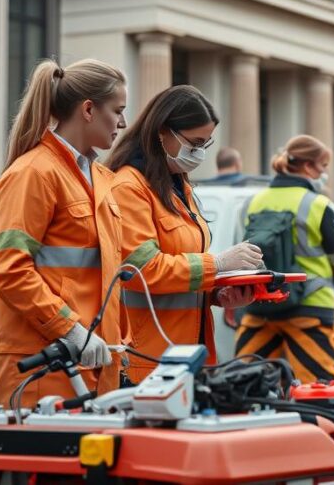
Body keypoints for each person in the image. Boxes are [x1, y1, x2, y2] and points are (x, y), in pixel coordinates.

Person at [0, 59, 130, 406]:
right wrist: (70, 329)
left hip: (85, 363)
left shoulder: (95, 179)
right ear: (88, 109)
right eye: (118, 110)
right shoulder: (34, 173)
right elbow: (8, 268)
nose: (123, 123)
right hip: (43, 364)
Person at [105, 85, 263, 383]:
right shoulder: (128, 187)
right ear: (162, 132)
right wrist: (217, 265)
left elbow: (181, 273)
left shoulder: (179, 187)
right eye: (195, 142)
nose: (200, 152)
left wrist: (219, 293)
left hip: (186, 357)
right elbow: (142, 269)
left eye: (206, 143)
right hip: (147, 362)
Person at [235, 135, 334, 382]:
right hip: (309, 309)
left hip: (260, 307)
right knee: (319, 393)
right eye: (323, 167)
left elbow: (239, 254)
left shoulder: (252, 203)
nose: (324, 173)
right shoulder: (317, 205)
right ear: (309, 167)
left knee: (245, 387)